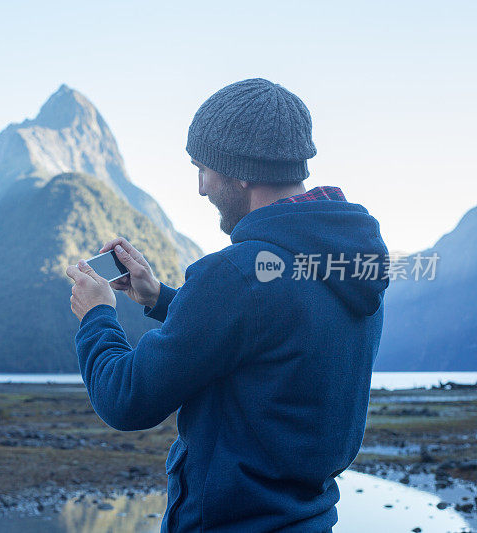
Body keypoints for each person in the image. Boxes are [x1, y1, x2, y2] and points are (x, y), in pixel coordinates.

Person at [65, 78, 390, 532]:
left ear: (240, 172)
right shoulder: (350, 262)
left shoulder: (236, 275)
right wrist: (159, 298)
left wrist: (97, 315)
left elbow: (125, 400)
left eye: (203, 169)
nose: (201, 188)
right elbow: (276, 337)